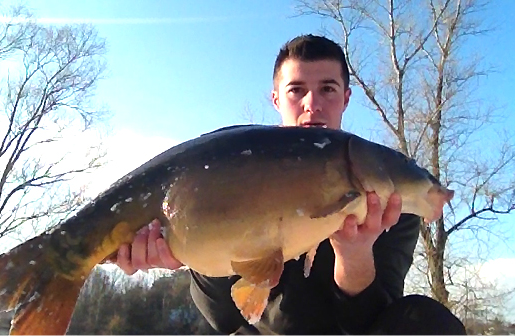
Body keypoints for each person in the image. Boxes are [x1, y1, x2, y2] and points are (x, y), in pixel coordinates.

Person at [114, 35, 466, 334]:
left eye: (327, 89)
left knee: (427, 321)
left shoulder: (386, 191)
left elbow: (371, 320)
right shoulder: (236, 170)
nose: (312, 104)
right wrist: (182, 251)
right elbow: (223, 317)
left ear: (346, 97)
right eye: (297, 90)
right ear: (276, 99)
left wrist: (353, 254)